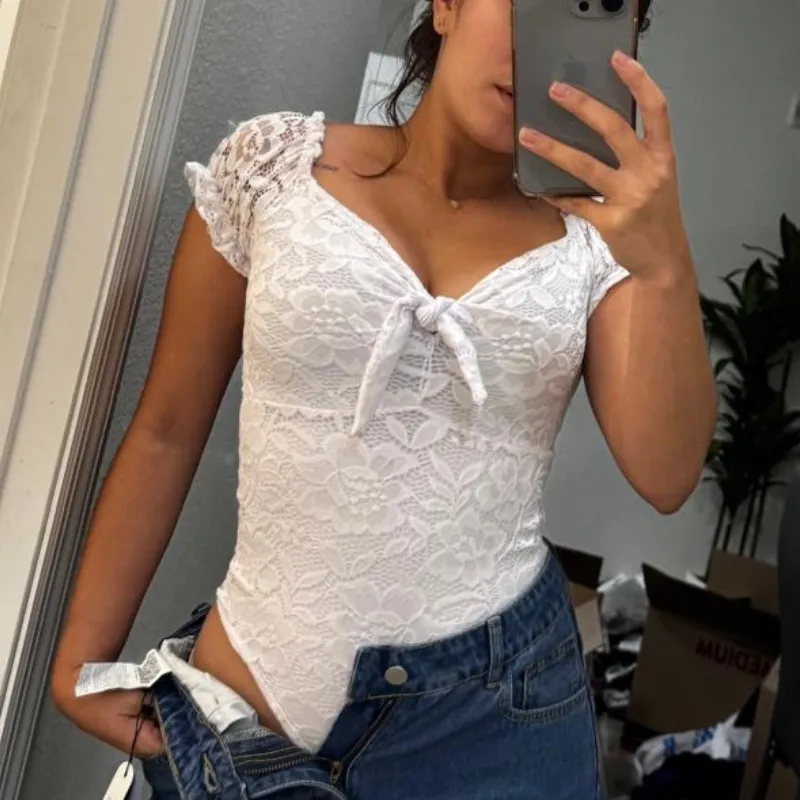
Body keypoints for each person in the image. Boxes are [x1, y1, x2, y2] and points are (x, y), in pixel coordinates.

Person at [51, 0, 716, 797]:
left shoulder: (596, 244)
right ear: (446, 6)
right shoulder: (274, 168)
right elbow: (166, 428)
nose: (531, 44)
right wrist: (81, 657)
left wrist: (664, 259)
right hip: (245, 728)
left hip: (500, 736)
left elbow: (666, 474)